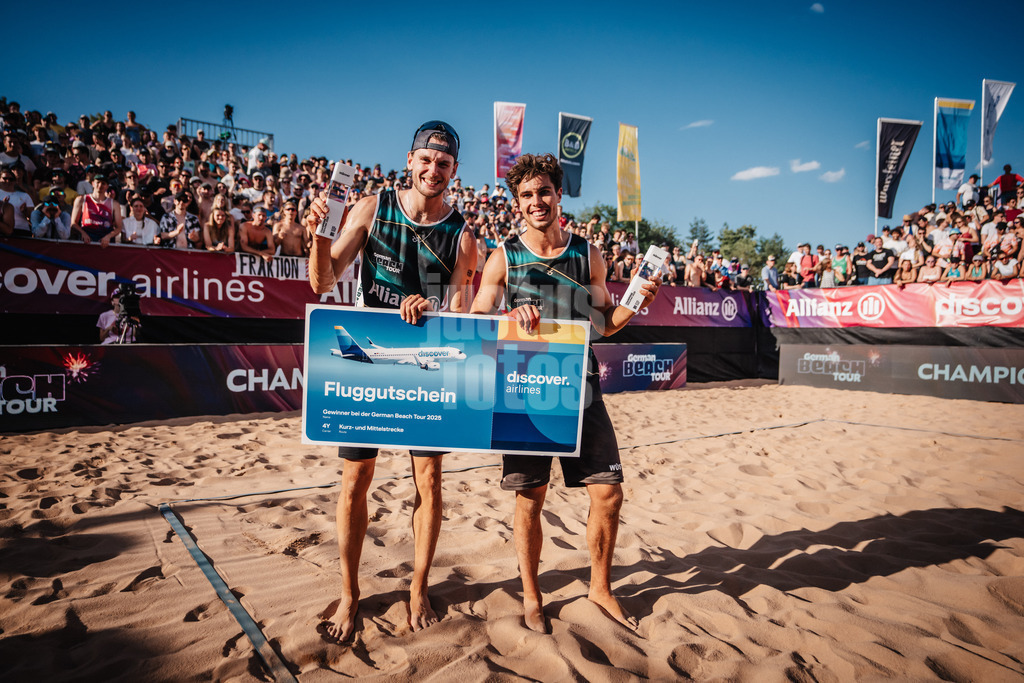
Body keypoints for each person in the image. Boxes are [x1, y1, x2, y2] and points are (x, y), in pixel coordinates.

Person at [470, 153, 659, 634]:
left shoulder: (587, 254)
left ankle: (600, 588)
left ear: (559, 195)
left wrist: (636, 303)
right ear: (517, 203)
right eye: (527, 195)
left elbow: (606, 324)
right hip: (524, 388)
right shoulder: (503, 257)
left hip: (581, 386)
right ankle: (532, 596)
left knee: (608, 493)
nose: (536, 201)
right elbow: (476, 319)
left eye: (544, 192)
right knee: (530, 497)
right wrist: (508, 317)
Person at [305, 121, 477, 643]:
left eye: (443, 163)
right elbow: (322, 281)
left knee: (430, 481)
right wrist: (318, 236)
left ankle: (418, 588)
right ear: (410, 160)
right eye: (426, 160)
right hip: (367, 366)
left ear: (453, 170)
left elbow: (462, 316)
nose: (433, 170)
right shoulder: (371, 208)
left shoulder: (462, 236)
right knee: (356, 480)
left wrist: (434, 309)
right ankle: (350, 593)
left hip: (424, 366)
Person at [70, 174, 124, 247]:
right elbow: (73, 223)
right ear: (92, 183)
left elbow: (119, 227)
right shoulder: (81, 200)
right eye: (98, 182)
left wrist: (109, 236)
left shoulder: (114, 204)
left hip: (105, 240)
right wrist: (83, 233)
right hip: (87, 238)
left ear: (107, 186)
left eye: (103, 183)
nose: (100, 185)